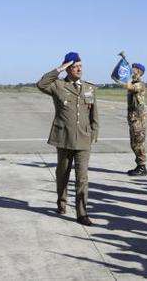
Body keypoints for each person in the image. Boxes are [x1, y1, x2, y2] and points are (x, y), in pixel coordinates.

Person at [37, 52, 99, 226]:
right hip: (64, 138)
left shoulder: (89, 88)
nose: (79, 69)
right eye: (75, 66)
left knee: (82, 177)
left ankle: (82, 213)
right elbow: (41, 84)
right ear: (68, 68)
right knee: (62, 174)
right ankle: (61, 202)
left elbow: (94, 113)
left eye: (80, 65)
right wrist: (59, 68)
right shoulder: (58, 85)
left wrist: (94, 132)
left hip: (84, 138)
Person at [122, 63, 147, 176]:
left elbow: (128, 86)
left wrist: (126, 76)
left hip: (138, 119)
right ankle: (139, 165)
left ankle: (142, 166)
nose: (131, 71)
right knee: (134, 143)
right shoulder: (134, 83)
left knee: (138, 144)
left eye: (133, 69)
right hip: (133, 119)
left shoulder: (140, 84)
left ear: (138, 71)